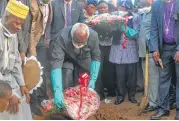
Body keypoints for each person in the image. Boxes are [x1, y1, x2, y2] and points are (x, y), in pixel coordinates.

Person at [50, 23, 101, 108]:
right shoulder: (61, 38)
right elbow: (56, 64)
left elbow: (96, 57)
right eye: (77, 41)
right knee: (67, 75)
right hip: (66, 57)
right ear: (72, 35)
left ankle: (83, 106)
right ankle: (67, 104)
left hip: (83, 56)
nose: (80, 44)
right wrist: (57, 90)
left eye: (83, 42)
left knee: (85, 79)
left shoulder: (94, 36)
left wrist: (93, 79)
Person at [0, 0, 32, 119]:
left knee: (23, 101)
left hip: (10, 80)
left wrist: (22, 84)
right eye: (17, 23)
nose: (19, 28)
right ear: (6, 17)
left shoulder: (12, 35)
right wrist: (10, 93)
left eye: (21, 25)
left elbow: (16, 63)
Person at [149, 0, 179, 120]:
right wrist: (154, 48)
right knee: (163, 79)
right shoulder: (156, 5)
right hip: (164, 48)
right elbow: (154, 28)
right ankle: (163, 109)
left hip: (178, 48)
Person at [109, 0, 139, 105]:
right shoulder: (114, 17)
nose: (121, 9)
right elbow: (109, 31)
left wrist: (125, 29)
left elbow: (137, 33)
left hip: (131, 48)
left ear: (128, 8)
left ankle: (132, 96)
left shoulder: (135, 17)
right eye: (120, 7)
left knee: (132, 75)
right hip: (118, 49)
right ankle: (120, 96)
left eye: (123, 7)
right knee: (119, 75)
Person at [138, 0, 159, 112]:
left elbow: (156, 31)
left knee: (153, 78)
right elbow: (140, 31)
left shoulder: (155, 11)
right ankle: (149, 100)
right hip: (142, 52)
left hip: (150, 51)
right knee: (147, 78)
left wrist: (150, 42)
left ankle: (153, 103)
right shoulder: (142, 13)